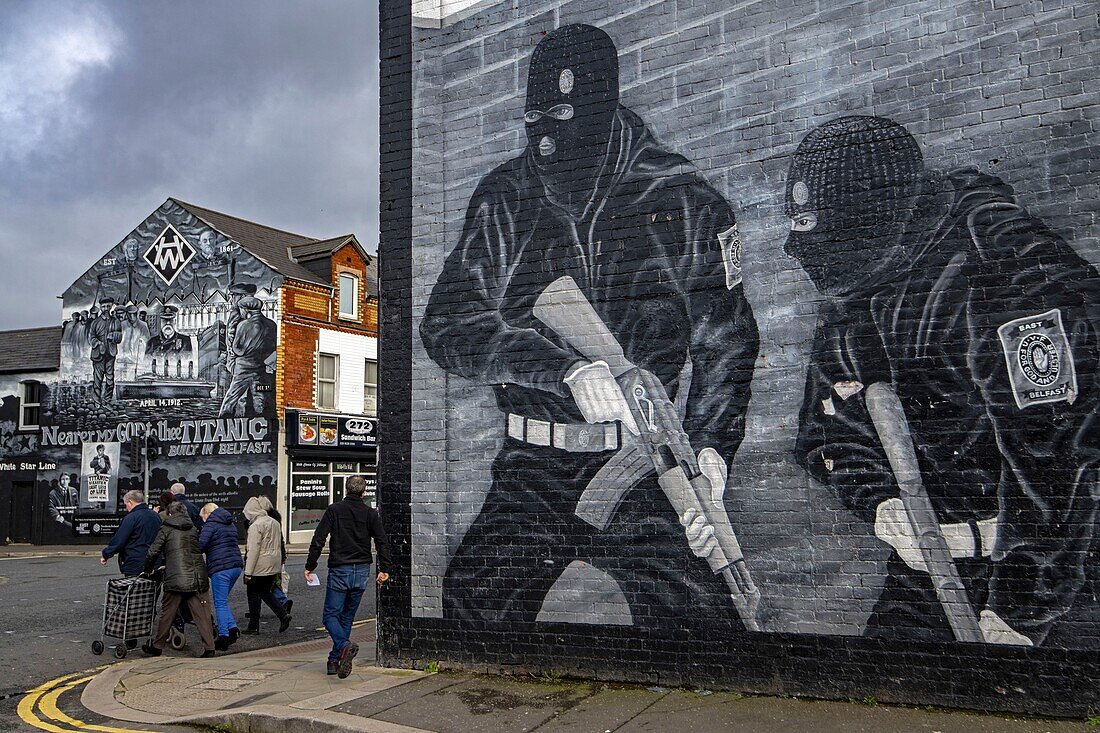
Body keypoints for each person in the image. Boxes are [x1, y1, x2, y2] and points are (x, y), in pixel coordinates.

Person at [419, 23, 759, 628]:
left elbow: (725, 340)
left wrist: (709, 450)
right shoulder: (506, 198)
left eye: (562, 113)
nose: (544, 135)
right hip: (530, 466)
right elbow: (448, 321)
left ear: (603, 109)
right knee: (471, 604)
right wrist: (563, 370)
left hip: (642, 458)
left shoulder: (683, 201)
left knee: (704, 616)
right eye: (533, 118)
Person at [788, 115, 1100, 647]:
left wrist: (1019, 613)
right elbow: (827, 428)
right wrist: (882, 502)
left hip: (1062, 565)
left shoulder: (1008, 275)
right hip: (941, 562)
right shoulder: (857, 283)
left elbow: (1062, 460)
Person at [304, 475, 393, 678]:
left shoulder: (334, 510)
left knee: (330, 616)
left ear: (345, 490)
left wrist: (310, 565)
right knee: (346, 617)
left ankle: (344, 646)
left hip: (340, 569)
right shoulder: (370, 514)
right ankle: (334, 661)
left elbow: (319, 538)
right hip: (362, 570)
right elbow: (381, 540)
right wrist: (385, 568)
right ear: (363, 493)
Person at [141, 502, 216, 657]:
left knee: (167, 612)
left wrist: (148, 569)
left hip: (176, 577)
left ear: (169, 514)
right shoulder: (193, 528)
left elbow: (152, 552)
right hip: (197, 576)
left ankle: (157, 646)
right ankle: (209, 648)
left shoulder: (166, 529)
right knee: (201, 614)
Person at [218, 296, 277, 417]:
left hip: (243, 368)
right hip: (261, 367)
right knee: (259, 398)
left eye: (241, 309)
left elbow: (237, 349)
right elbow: (274, 347)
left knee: (231, 397)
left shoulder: (243, 325)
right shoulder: (272, 325)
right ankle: (263, 426)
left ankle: (222, 421)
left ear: (246, 310)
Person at [242, 496, 292, 633]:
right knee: (265, 592)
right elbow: (278, 544)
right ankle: (282, 615)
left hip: (259, 566)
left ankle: (254, 625)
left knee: (253, 593)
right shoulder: (274, 522)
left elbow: (253, 550)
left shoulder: (255, 526)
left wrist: (248, 572)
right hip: (273, 565)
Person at [198, 502, 244, 651]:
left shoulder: (211, 524)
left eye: (202, 517)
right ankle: (232, 629)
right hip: (235, 565)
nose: (202, 520)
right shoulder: (228, 522)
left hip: (221, 568)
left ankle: (223, 637)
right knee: (223, 601)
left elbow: (201, 545)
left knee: (220, 603)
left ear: (207, 513)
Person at [100, 490, 161, 577]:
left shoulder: (131, 518)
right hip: (155, 561)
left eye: (126, 504)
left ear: (130, 502)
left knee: (135, 588)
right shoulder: (156, 516)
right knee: (152, 588)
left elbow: (119, 540)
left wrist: (106, 554)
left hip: (135, 561)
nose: (126, 508)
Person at [254, 495, 292, 615]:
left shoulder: (261, 520)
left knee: (262, 584)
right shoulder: (275, 518)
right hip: (277, 554)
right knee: (271, 582)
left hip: (265, 556)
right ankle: (282, 601)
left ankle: (282, 601)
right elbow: (280, 538)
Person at [88, 297, 123, 401]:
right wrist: (98, 343)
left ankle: (107, 400)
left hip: (110, 354)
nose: (106, 308)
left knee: (110, 379)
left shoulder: (116, 321)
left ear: (111, 306)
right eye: (103, 306)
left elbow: (119, 337)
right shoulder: (95, 322)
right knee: (97, 379)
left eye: (108, 306)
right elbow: (91, 338)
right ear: (100, 307)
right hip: (98, 355)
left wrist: (113, 336)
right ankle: (97, 401)